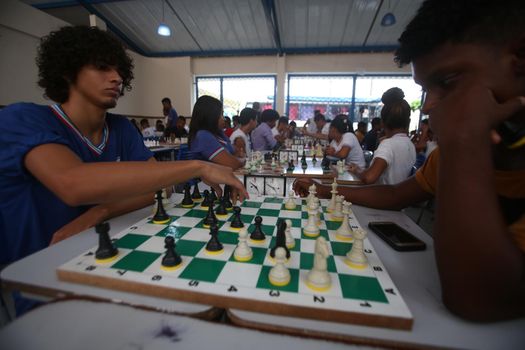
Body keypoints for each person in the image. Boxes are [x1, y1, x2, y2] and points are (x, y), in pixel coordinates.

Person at [295, 0, 525, 321]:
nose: (428, 106)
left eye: (447, 81)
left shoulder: (459, 149)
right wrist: (323, 190)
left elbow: (477, 299)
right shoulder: (447, 158)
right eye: (424, 89)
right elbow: (395, 194)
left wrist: (464, 142)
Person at [0, 26, 246, 315]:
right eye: (102, 68)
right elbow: (73, 185)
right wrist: (197, 166)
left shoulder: (120, 129)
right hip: (48, 285)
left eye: (119, 71)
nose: (116, 78)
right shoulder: (23, 119)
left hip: (120, 265)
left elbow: (160, 188)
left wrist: (100, 212)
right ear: (68, 71)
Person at [348, 88, 416, 185]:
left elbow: (369, 177)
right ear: (407, 122)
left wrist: (357, 170)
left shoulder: (388, 144)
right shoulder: (410, 144)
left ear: (382, 123)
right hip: (401, 198)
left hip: (383, 197)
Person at [188, 95, 243, 169]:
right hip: (207, 180)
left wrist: (236, 157)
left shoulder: (218, 133)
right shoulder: (203, 136)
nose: (224, 119)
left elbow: (236, 151)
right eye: (221, 114)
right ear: (210, 116)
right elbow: (233, 164)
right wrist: (243, 160)